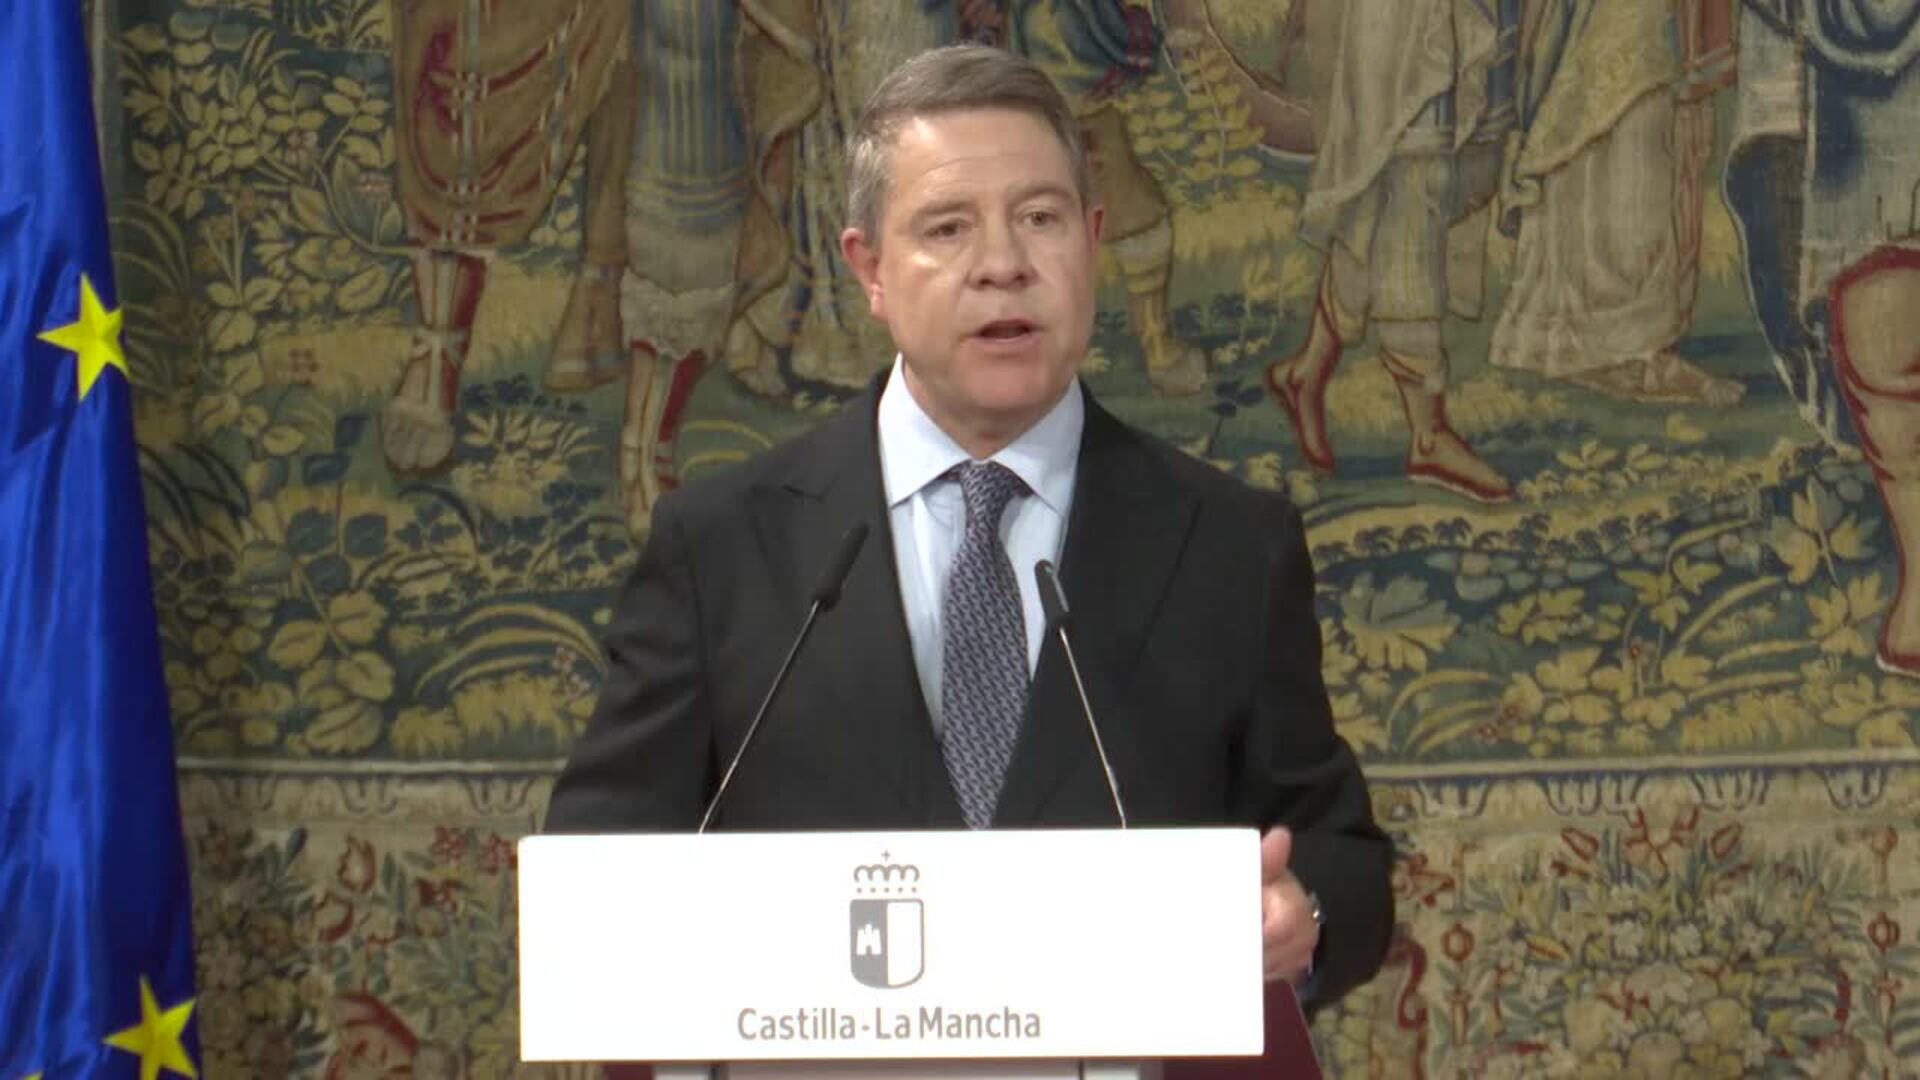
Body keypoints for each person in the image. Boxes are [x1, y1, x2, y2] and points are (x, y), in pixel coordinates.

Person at [546, 44, 1393, 1015]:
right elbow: (595, 866)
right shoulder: (722, 547)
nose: (1003, 266)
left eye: (1041, 218)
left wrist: (1303, 912)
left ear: (1092, 240)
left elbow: (1340, 857)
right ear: (868, 269)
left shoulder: (1231, 545)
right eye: (948, 228)